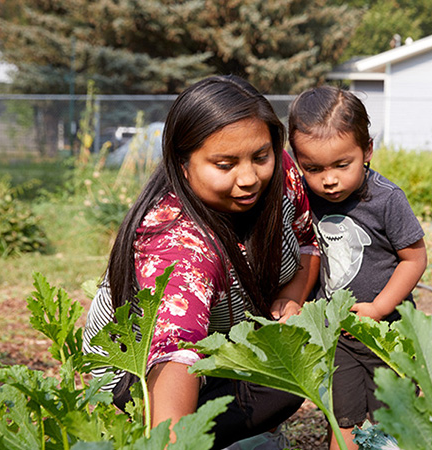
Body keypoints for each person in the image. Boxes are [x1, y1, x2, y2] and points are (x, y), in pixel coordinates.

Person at [83, 75, 320, 449]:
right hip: (137, 376)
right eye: (225, 164)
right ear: (182, 163)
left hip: (218, 345)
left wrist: (293, 294)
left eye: (260, 157)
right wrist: (175, 441)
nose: (249, 178)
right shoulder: (179, 244)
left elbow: (308, 241)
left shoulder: (280, 174)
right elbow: (175, 355)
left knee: (290, 373)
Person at [287, 86, 428, 450]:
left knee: (393, 422)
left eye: (341, 164)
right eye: (313, 168)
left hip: (388, 335)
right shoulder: (304, 198)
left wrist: (379, 309)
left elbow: (415, 259)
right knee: (342, 419)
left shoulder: (386, 199)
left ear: (366, 150)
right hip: (339, 338)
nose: (328, 179)